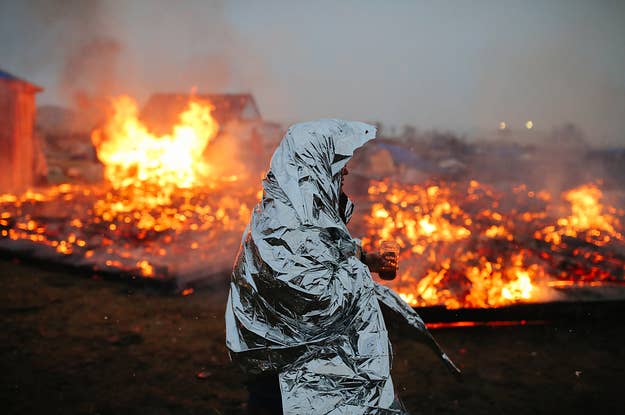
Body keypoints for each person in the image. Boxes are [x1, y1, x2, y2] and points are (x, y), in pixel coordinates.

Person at [225, 119, 459, 415]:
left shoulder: (299, 211)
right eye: (336, 161)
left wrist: (365, 258)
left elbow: (322, 253)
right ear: (312, 166)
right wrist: (360, 275)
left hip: (306, 373)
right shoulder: (287, 223)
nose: (346, 169)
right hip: (290, 380)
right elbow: (317, 298)